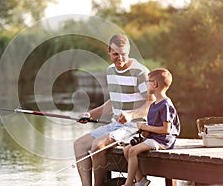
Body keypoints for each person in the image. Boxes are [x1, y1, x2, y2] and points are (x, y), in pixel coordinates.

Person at [74, 33, 155, 186]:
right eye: (116, 54)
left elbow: (151, 102)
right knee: (79, 144)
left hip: (136, 126)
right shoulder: (111, 71)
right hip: (115, 125)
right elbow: (113, 103)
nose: (120, 58)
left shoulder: (140, 71)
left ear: (129, 50)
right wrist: (89, 114)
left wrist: (131, 115)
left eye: (123, 54)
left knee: (97, 146)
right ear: (109, 51)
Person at [122, 68, 180, 186]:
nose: (145, 85)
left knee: (133, 151)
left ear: (155, 84)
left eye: (147, 82)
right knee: (126, 149)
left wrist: (146, 127)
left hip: (163, 141)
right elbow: (153, 127)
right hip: (154, 138)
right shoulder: (153, 105)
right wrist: (144, 131)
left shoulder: (165, 104)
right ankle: (140, 180)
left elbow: (166, 130)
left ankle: (128, 184)